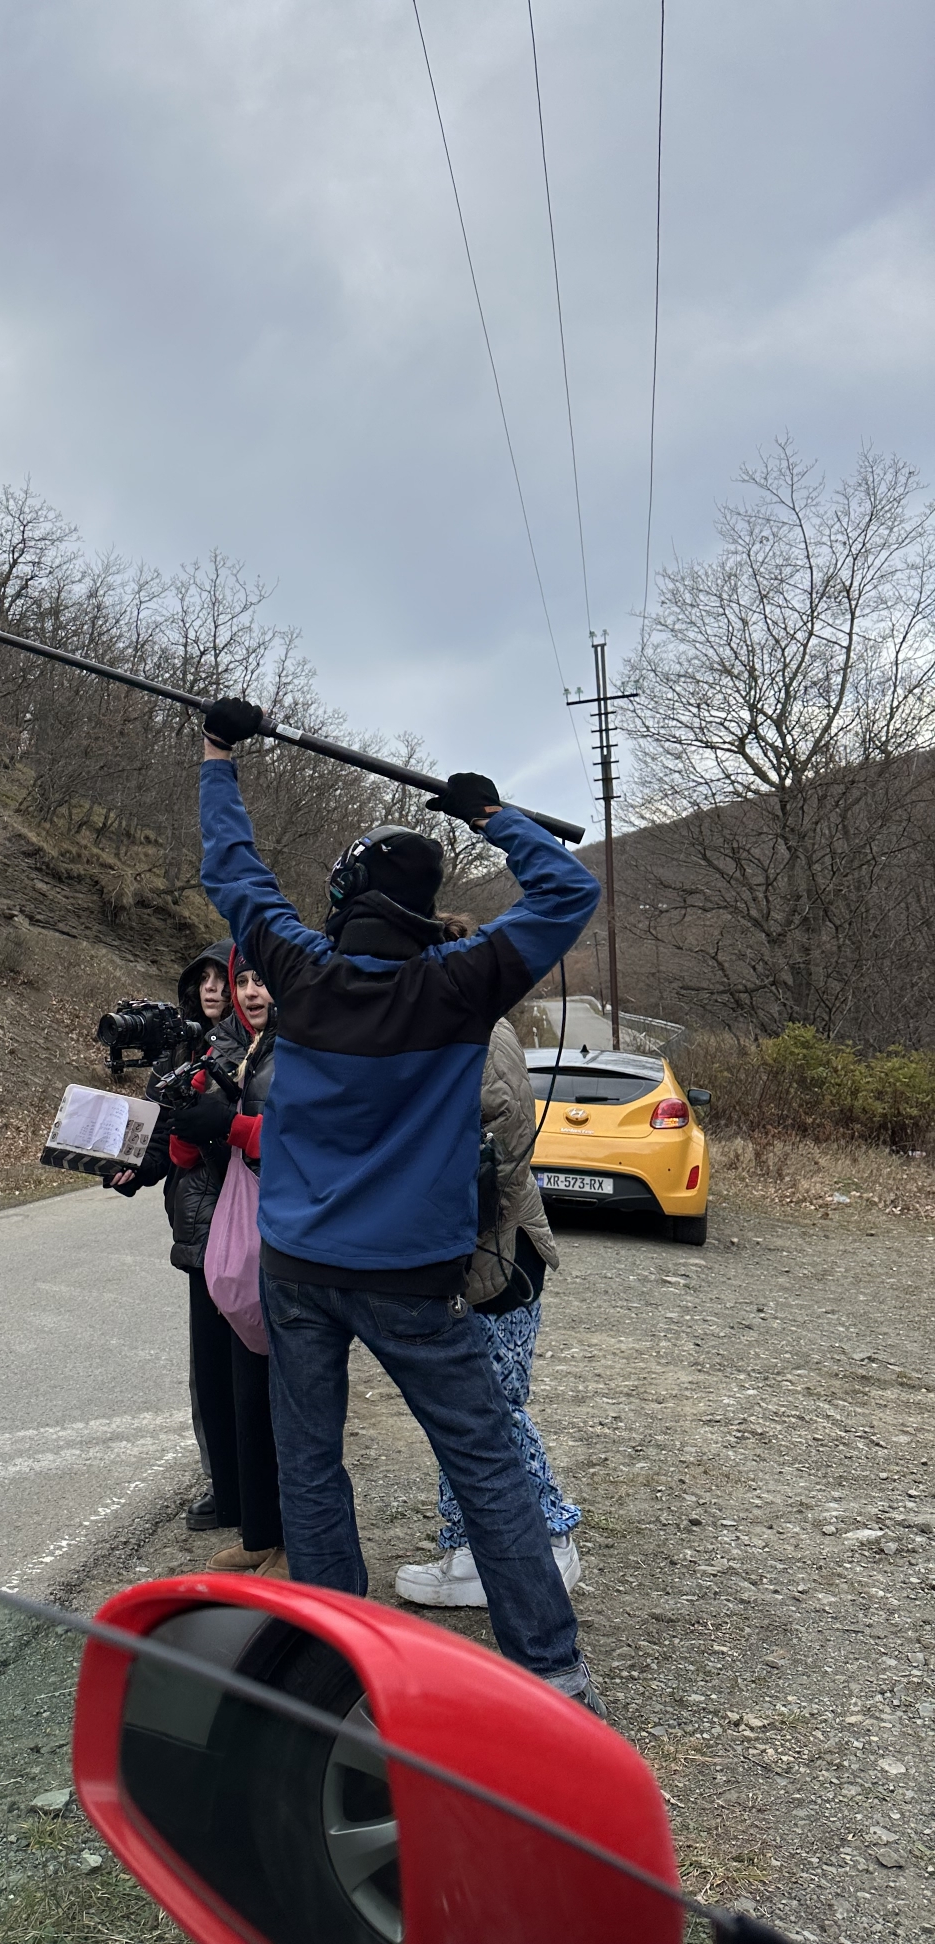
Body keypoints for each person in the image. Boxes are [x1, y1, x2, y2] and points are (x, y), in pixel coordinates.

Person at [196, 694, 605, 1711]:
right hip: (414, 1283)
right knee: (486, 1465)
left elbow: (233, 870)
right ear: (421, 909)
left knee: (310, 1466)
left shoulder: (298, 969)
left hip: (299, 1273)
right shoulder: (461, 983)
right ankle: (552, 1674)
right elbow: (568, 890)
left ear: (346, 899)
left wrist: (218, 757)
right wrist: (495, 818)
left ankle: (336, 1673)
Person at [395, 1006, 583, 1608]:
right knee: (462, 1409)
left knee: (491, 1408)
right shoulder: (432, 1022)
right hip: (468, 1253)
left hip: (498, 1254)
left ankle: (550, 1538)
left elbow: (507, 1140)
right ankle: (470, 1547)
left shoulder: (480, 1026)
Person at [106, 939, 240, 1531]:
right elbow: (160, 1139)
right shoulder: (176, 1052)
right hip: (196, 1228)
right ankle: (223, 1482)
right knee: (207, 1370)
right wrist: (135, 1170)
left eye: (222, 977)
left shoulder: (255, 1046)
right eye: (203, 978)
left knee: (250, 1365)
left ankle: (257, 1486)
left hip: (245, 1222)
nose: (212, 988)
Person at [177, 950, 286, 1579]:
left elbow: (306, 1140)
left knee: (289, 1405)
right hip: (247, 1241)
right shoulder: (249, 1050)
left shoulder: (302, 1044)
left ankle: (298, 1549)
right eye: (240, 980)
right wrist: (193, 1128)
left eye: (256, 979)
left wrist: (233, 1126)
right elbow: (201, 1154)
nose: (245, 991)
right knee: (249, 1394)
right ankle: (261, 1533)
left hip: (289, 1242)